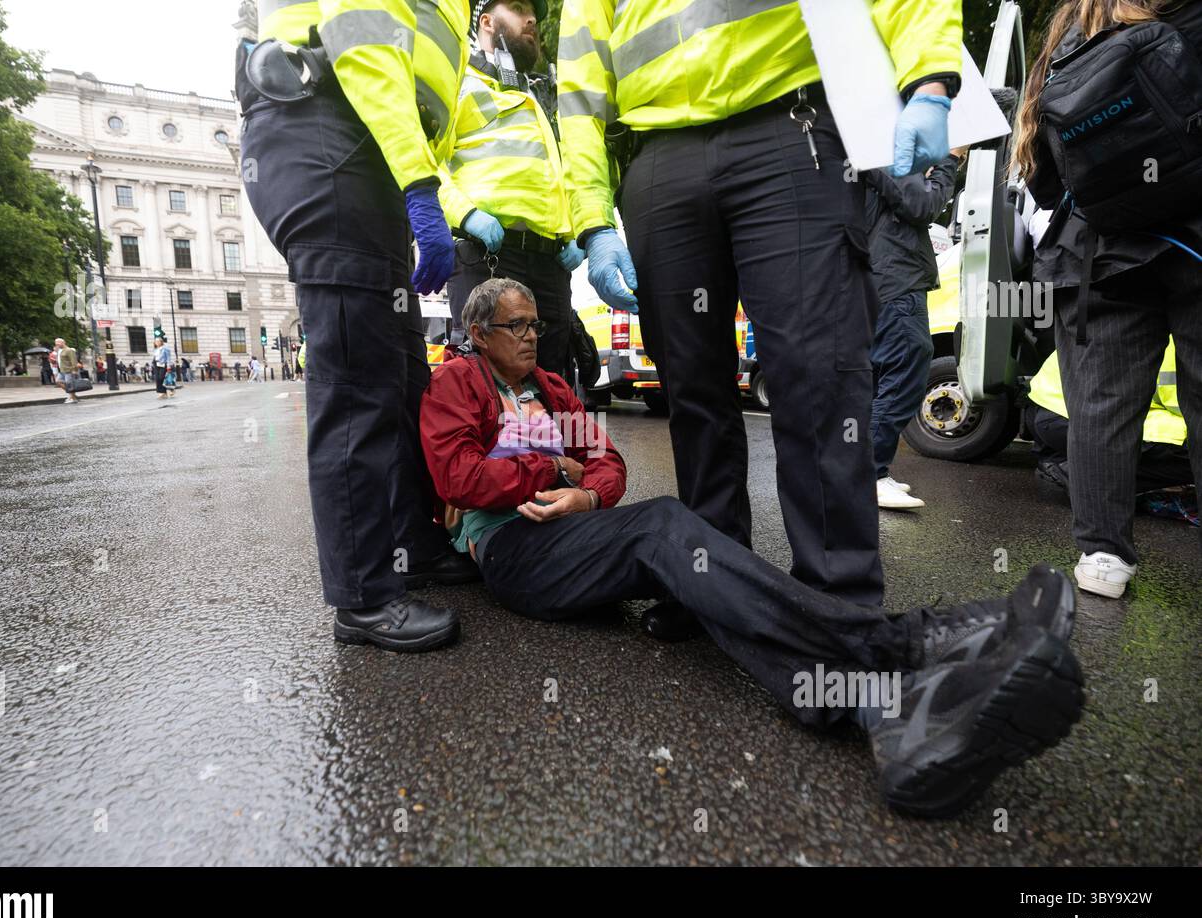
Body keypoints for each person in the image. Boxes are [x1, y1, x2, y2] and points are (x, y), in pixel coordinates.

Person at [418, 279, 1084, 817]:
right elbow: (459, 478)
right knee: (665, 528)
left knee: (703, 578)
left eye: (536, 323)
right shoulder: (458, 384)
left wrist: (585, 493)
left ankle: (883, 710)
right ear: (479, 335)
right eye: (517, 326)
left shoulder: (554, 392)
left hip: (573, 531)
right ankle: (911, 642)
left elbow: (608, 468)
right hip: (513, 553)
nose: (534, 336)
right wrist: (552, 471)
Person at [558, 0, 962, 636]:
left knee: (817, 376)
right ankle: (715, 583)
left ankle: (839, 611)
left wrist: (930, 78)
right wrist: (591, 219)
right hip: (657, 157)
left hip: (789, 127)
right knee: (691, 389)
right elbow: (580, 81)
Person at [239, 0, 479, 649]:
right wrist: (421, 188)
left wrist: (430, 189)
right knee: (357, 388)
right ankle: (365, 596)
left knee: (403, 376)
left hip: (362, 152)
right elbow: (363, 43)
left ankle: (413, 548)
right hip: (326, 137)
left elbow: (435, 114)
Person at [1014, 0, 1202, 599]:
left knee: (1099, 408)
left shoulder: (1072, 35)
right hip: (1194, 240)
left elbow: (1042, 178)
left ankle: (1103, 557)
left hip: (1098, 253)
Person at [440, 0, 582, 379]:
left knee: (552, 386)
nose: (532, 18)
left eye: (534, 11)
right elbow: (425, 161)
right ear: (486, 21)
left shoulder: (540, 96)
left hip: (550, 263)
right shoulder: (456, 80)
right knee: (487, 387)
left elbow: (558, 170)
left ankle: (545, 442)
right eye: (518, 7)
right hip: (487, 256)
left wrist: (575, 231)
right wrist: (465, 214)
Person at [863, 153, 961, 509]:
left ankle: (868, 471)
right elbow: (922, 205)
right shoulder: (887, 146)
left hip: (880, 276)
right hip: (895, 276)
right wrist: (951, 159)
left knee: (878, 376)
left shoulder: (878, 146)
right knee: (907, 365)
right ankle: (869, 474)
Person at [1026, 342, 1193, 503]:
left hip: (1048, 405)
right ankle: (1083, 477)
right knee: (1192, 451)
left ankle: (1067, 461)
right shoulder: (1183, 335)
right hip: (1071, 414)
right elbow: (1188, 409)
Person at [53, 337, 80, 405]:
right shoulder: (59, 350)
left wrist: (74, 370)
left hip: (69, 370)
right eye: (56, 343)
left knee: (69, 384)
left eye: (58, 343)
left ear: (63, 342)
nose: (57, 344)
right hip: (61, 370)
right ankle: (72, 395)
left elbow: (74, 361)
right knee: (58, 381)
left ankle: (73, 398)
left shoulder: (69, 350)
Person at [152, 336, 173, 400]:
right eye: (156, 341)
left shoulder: (165, 348)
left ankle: (169, 390)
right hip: (156, 364)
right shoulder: (155, 349)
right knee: (157, 379)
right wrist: (152, 365)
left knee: (162, 378)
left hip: (163, 364)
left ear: (161, 342)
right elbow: (154, 358)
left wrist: (169, 366)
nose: (157, 343)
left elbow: (168, 358)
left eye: (158, 341)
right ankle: (162, 393)